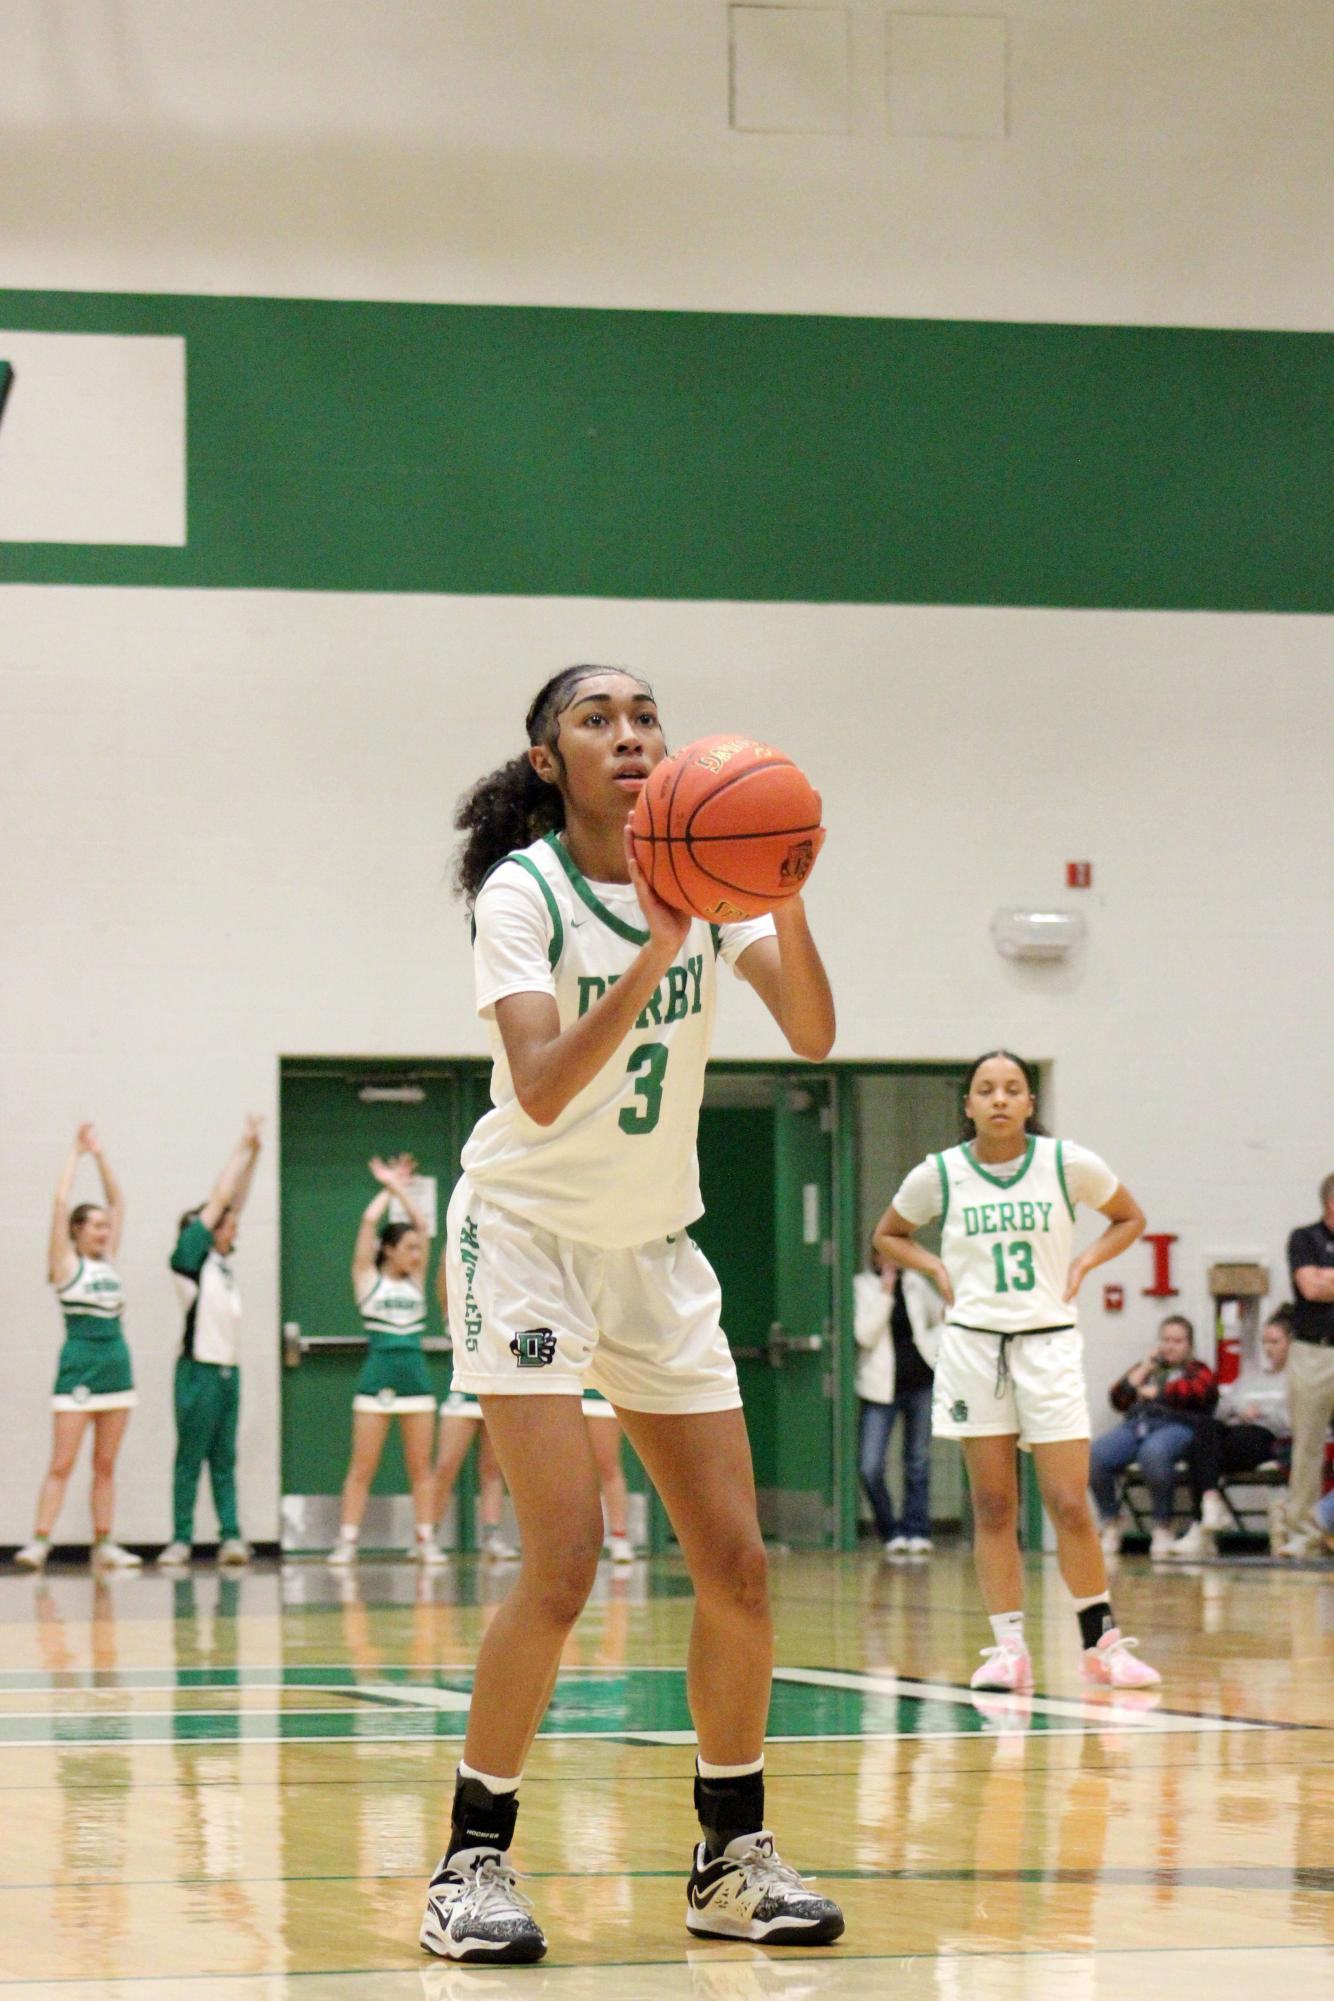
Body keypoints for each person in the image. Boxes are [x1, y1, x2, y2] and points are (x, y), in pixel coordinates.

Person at [418, 664, 843, 1963]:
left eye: (644, 716)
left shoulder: (714, 879)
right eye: (597, 719)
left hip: (653, 1248)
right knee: (562, 1562)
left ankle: (727, 1859)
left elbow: (816, 1034)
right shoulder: (524, 892)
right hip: (527, 1237)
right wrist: (660, 944)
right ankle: (468, 1864)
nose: (629, 734)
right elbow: (539, 1085)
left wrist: (780, 880)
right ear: (548, 757)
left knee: (737, 1563)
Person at [874, 1051, 1158, 1695]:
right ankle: (1008, 1651)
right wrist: (937, 1270)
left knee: (1067, 1502)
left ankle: (1102, 1645)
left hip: (1048, 1346)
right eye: (985, 1089)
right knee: (994, 1504)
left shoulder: (1066, 1164)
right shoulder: (940, 1174)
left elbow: (1129, 1217)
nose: (999, 1099)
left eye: (1012, 1089)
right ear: (968, 1105)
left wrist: (1084, 1264)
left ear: (1031, 1103)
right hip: (976, 1348)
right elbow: (890, 1234)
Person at [17, 1126, 139, 1572]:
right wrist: (74, 1155)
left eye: (107, 1226)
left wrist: (102, 1156)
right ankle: (39, 1542)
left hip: (116, 1367)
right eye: (98, 1225)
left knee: (105, 1463)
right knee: (63, 1461)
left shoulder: (109, 1260)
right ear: (78, 1231)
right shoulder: (66, 1263)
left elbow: (120, 1202)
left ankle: (104, 1544)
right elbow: (58, 1205)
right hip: (79, 1368)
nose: (106, 1231)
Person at [157, 1116, 264, 1568]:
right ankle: (181, 1538)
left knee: (224, 1458)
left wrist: (255, 1155)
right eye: (219, 1224)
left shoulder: (221, 1264)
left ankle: (231, 1537)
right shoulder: (189, 1263)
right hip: (197, 1372)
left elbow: (233, 1204)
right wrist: (239, 1147)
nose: (230, 1225)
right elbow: (221, 1202)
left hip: (227, 1373)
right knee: (190, 1458)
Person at [329, 1156, 443, 1568]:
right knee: (362, 1466)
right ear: (389, 1250)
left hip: (415, 1379)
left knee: (420, 1468)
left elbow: (425, 1229)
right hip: (376, 1378)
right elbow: (366, 1224)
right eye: (407, 1247)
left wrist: (402, 1191)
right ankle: (347, 1541)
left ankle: (425, 1540)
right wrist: (388, 1187)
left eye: (417, 1248)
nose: (416, 1253)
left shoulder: (416, 1280)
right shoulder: (367, 1279)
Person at [1167, 1306, 1293, 1558]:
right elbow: (1222, 1408)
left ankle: (1202, 1525)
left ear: (1290, 1343)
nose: (1268, 1348)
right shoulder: (1251, 1375)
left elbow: (1292, 1421)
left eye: (1275, 1342)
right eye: (1265, 1342)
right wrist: (1240, 1409)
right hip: (1235, 1430)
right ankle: (1211, 1503)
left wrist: (1263, 1412)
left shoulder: (1295, 1379)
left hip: (1266, 1436)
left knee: (1199, 1453)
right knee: (1204, 1430)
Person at [1090, 1316, 1218, 1559]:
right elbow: (1118, 1398)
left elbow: (1200, 1393)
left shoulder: (1197, 1369)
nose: (1170, 1346)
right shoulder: (1147, 1368)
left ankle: (1162, 1525)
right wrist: (1145, 1370)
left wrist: (1158, 1392)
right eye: (1166, 1340)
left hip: (1178, 1425)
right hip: (1138, 1425)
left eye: (1177, 1341)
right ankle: (1111, 1520)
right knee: (1095, 1455)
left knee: (1153, 1452)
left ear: (1189, 1345)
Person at [853, 1244, 942, 1555]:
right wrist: (885, 1294)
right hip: (879, 1389)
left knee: (917, 1461)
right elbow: (864, 1335)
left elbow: (940, 1316)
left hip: (919, 1383)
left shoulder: (917, 1283)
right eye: (887, 1253)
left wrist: (933, 1346)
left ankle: (917, 1529)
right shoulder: (862, 1287)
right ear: (875, 1256)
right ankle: (890, 1530)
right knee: (870, 1465)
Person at [432, 1250, 517, 1562]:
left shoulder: (502, 1303)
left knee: (493, 1469)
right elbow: (444, 1278)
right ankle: (427, 1535)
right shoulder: (457, 1302)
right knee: (445, 1466)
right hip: (462, 1393)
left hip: (493, 1388)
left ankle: (492, 1535)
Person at [1278, 1174, 1334, 1557]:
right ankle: (1301, 1529)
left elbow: (1322, 1283)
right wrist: (1319, 1280)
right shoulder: (1305, 1238)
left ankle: (1325, 1522)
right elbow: (1310, 1288)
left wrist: (1327, 1277)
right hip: (1313, 1352)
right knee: (1308, 1444)